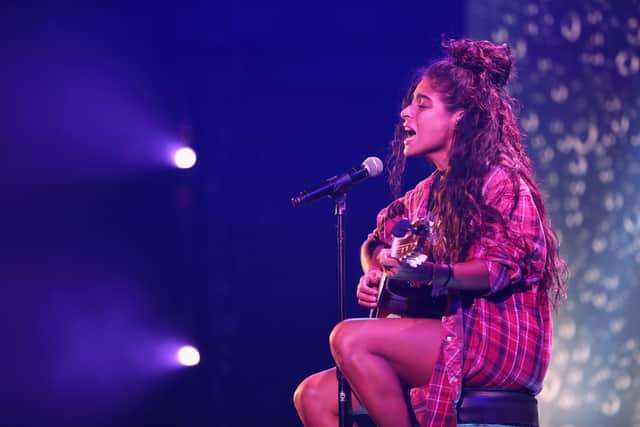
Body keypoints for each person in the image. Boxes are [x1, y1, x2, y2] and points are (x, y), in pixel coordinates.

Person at [293, 38, 567, 427]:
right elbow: (378, 240)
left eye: (422, 104)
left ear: (459, 117)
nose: (406, 113)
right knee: (314, 396)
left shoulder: (500, 181)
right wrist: (377, 272)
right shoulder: (424, 194)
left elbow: (500, 267)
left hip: (491, 340)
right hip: (443, 339)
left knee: (349, 338)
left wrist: (434, 274)